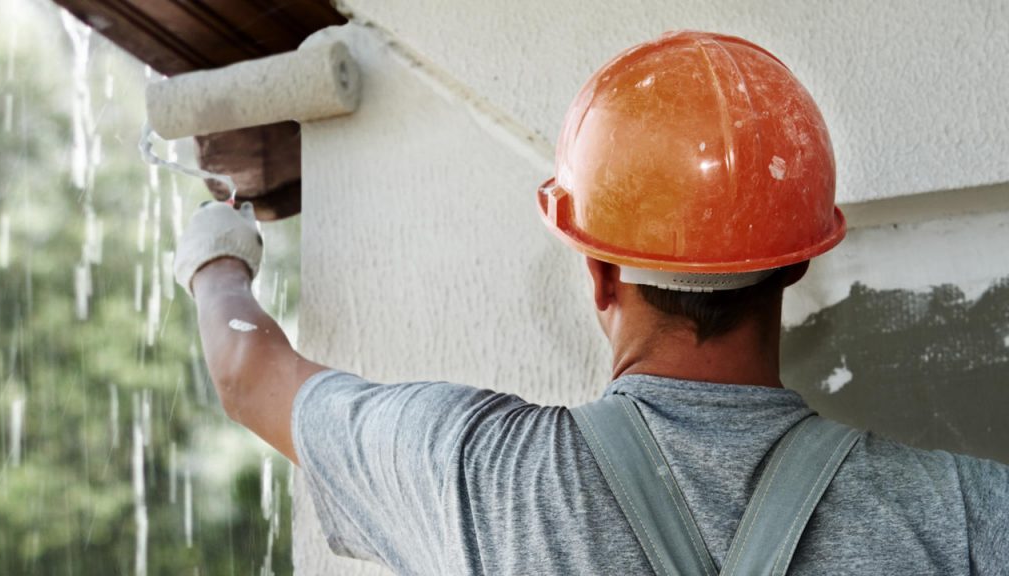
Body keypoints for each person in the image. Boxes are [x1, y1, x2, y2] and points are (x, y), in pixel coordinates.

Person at [173, 31, 1008, 575]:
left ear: (602, 274)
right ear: (792, 266)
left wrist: (219, 248)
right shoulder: (964, 514)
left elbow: (249, 371)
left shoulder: (484, 475)